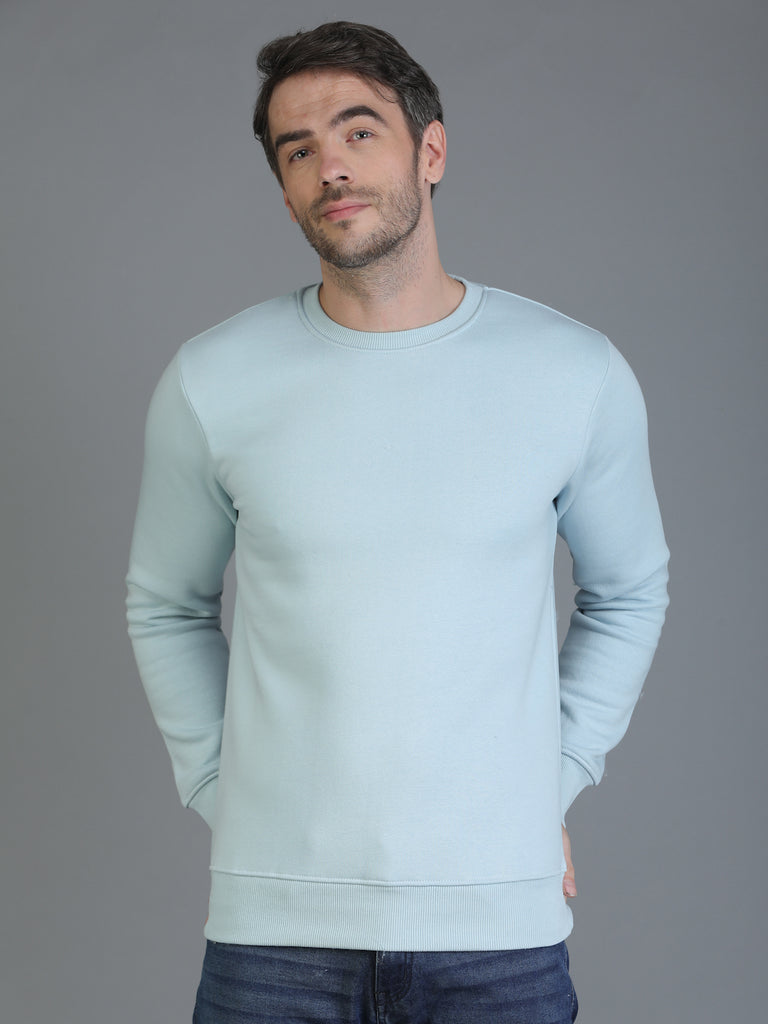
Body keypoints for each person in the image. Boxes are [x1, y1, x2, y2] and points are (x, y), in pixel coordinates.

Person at [126, 20, 669, 1024]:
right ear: (284, 189)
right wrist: (218, 785)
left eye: (358, 131)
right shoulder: (213, 380)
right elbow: (165, 604)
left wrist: (548, 782)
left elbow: (630, 590)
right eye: (297, 150)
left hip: (499, 940)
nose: (329, 164)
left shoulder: (573, 373)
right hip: (273, 942)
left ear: (432, 150)